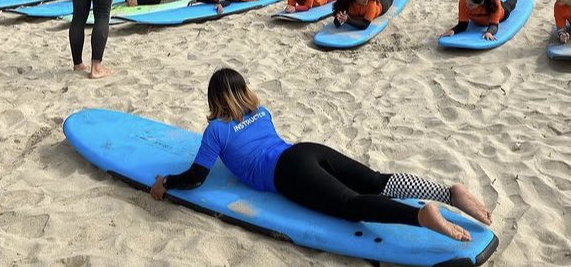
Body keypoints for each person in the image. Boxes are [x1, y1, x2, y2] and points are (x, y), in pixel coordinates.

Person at [149, 68, 492, 241]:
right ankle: (448, 193)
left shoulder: (216, 131)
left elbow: (196, 177)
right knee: (374, 179)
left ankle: (420, 216)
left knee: (350, 204)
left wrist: (165, 183)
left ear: (214, 99)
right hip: (306, 150)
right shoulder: (261, 110)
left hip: (287, 173)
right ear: (243, 90)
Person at [441, 0, 517, 41]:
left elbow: (494, 25)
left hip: (502, 14)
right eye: (466, 2)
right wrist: (453, 30)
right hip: (479, 20)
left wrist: (489, 32)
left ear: (481, 4)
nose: (466, 5)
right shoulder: (464, 0)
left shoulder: (494, 2)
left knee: (509, 5)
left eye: (471, 5)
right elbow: (462, 24)